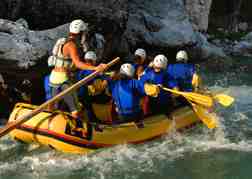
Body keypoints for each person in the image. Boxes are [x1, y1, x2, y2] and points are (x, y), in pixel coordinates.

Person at [47, 19, 107, 136]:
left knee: (53, 106)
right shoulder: (72, 45)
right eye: (84, 33)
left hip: (53, 77)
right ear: (80, 33)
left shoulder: (62, 41)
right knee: (75, 109)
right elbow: (78, 63)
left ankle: (49, 127)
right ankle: (79, 132)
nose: (84, 35)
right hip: (63, 79)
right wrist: (95, 68)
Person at [105, 63, 160, 128]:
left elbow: (108, 90)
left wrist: (110, 77)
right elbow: (149, 90)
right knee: (143, 104)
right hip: (135, 115)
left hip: (121, 116)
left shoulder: (114, 84)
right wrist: (157, 87)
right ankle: (141, 126)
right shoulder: (135, 82)